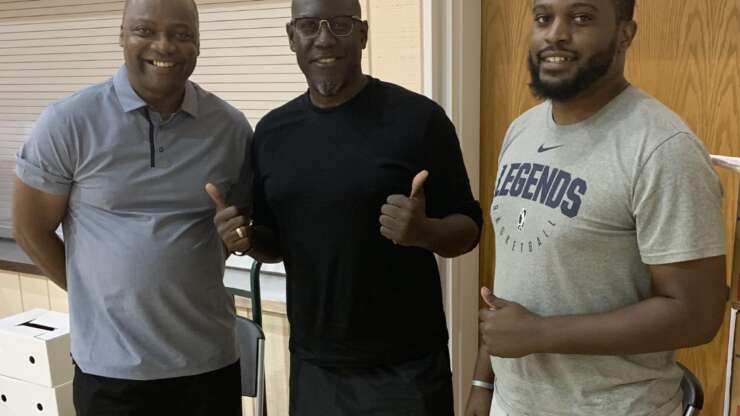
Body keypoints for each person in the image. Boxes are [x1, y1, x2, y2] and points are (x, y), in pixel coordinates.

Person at [206, 0, 482, 414]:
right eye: (309, 26)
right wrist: (243, 240)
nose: (324, 39)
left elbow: (469, 228)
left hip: (406, 368)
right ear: (291, 36)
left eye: (340, 24)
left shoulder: (419, 119)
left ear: (363, 34)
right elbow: (274, 242)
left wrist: (424, 232)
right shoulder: (273, 132)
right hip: (314, 364)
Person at [465, 0, 727, 415]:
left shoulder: (661, 149)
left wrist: (538, 334)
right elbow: (517, 273)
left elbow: (698, 314)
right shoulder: (522, 130)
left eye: (582, 17)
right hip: (513, 403)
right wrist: (484, 383)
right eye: (543, 18)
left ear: (625, 33)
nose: (555, 34)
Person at [12, 0, 252, 414]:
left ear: (198, 44)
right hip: (111, 372)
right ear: (121, 36)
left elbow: (240, 226)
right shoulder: (69, 122)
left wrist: (237, 234)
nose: (164, 46)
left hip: (209, 364)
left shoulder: (229, 127)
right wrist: (97, 294)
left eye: (181, 35)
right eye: (145, 31)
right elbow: (30, 229)